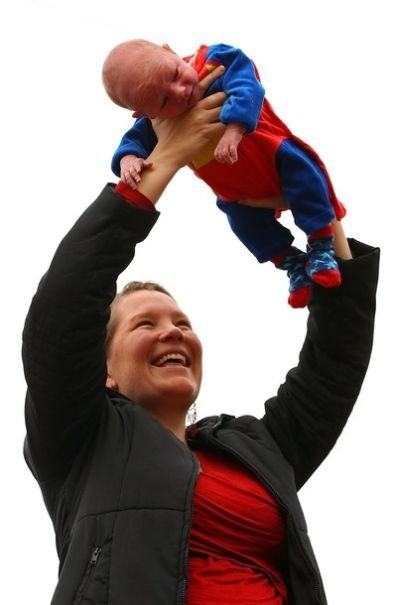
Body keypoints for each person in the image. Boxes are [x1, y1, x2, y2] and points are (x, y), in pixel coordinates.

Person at [23, 67, 379, 605]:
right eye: (146, 324)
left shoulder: (257, 451)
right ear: (105, 372)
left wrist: (318, 217)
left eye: (182, 323)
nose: (173, 331)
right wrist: (166, 156)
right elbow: (63, 310)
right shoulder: (79, 439)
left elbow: (335, 366)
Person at [103, 39, 347, 308]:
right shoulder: (157, 122)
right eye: (163, 100)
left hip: (272, 155)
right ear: (145, 112)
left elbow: (246, 84)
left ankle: (322, 244)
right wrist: (128, 159)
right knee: (243, 224)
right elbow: (133, 141)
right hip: (237, 192)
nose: (180, 91)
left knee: (305, 176)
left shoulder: (214, 60)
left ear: (169, 50)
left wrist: (234, 128)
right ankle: (292, 263)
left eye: (174, 74)